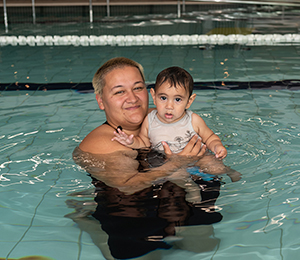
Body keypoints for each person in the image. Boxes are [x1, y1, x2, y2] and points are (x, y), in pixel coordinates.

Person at [72, 57, 224, 260]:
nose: (132, 98)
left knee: (203, 246)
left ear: (148, 92)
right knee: (145, 257)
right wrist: (178, 162)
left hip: (171, 196)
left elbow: (205, 139)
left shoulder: (162, 117)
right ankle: (90, 224)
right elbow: (128, 186)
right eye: (119, 91)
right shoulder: (103, 142)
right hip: (131, 208)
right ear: (101, 101)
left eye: (138, 88)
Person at [112, 66, 239, 202]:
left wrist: (217, 147)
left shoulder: (193, 120)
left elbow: (209, 137)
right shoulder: (149, 120)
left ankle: (229, 171)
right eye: (163, 98)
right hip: (170, 161)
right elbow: (143, 142)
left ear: (189, 101)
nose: (169, 106)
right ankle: (191, 188)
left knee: (214, 166)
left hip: (199, 157)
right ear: (154, 96)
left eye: (177, 99)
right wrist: (131, 142)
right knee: (175, 174)